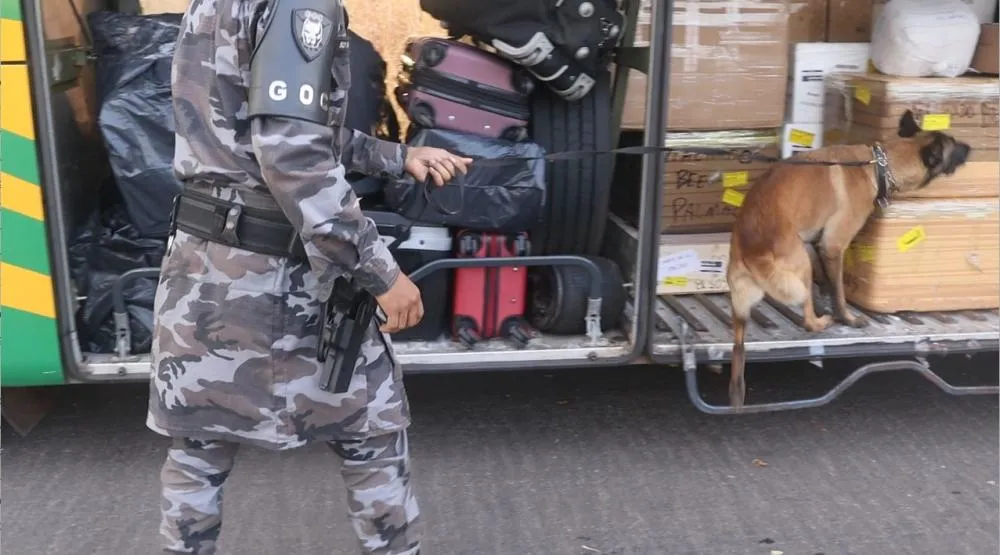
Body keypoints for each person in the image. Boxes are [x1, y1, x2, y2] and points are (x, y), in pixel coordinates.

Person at [146, 0, 472, 552]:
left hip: (203, 268)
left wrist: (396, 158)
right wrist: (381, 274)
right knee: (372, 431)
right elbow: (295, 157)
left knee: (198, 448)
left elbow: (272, 128)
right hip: (280, 276)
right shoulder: (300, 6)